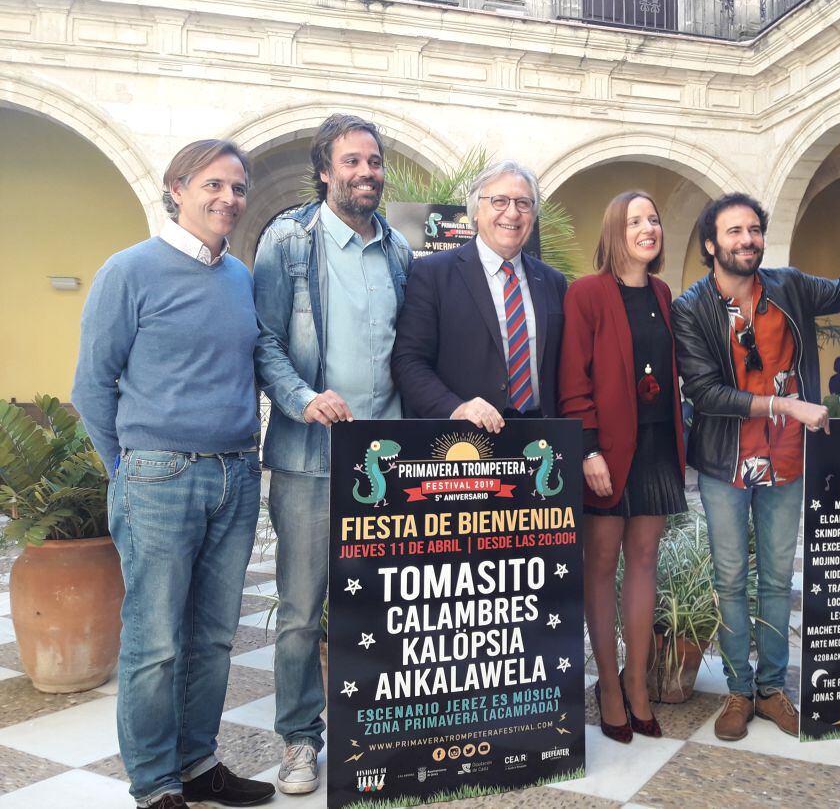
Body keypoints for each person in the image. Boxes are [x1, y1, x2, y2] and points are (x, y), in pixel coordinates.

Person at [671, 192, 840, 742]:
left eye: (754, 230)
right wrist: (787, 405)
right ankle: (738, 691)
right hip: (725, 463)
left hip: (788, 460)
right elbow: (706, 394)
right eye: (735, 231)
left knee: (778, 578)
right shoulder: (691, 306)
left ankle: (771, 689)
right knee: (731, 579)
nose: (748, 240)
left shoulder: (787, 286)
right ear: (712, 244)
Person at [73, 140, 274, 808]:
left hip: (237, 475)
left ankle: (197, 763)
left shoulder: (239, 277)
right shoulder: (128, 271)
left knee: (215, 636)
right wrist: (128, 469)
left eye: (238, 187)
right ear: (177, 189)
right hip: (160, 476)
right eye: (213, 184)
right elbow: (93, 387)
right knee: (156, 641)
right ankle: (156, 784)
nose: (229, 199)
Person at [253, 114, 412, 794]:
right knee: (299, 611)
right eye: (351, 162)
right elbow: (262, 342)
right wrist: (302, 396)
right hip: (311, 460)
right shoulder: (287, 244)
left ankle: (374, 726)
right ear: (325, 170)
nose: (365, 173)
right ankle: (298, 741)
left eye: (373, 162)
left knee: (382, 606)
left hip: (387, 464)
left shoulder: (402, 251)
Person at [559, 191, 686, 742]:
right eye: (635, 220)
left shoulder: (663, 291)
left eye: (653, 219)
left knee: (644, 560)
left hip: (656, 447)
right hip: (605, 452)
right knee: (600, 563)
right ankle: (608, 685)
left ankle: (638, 683)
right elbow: (573, 378)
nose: (648, 228)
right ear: (616, 230)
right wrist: (587, 450)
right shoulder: (585, 294)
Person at [392, 160, 567, 429]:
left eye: (523, 203)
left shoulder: (553, 282)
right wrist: (456, 408)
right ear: (475, 210)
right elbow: (408, 361)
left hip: (540, 439)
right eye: (499, 201)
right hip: (464, 441)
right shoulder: (433, 274)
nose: (512, 213)